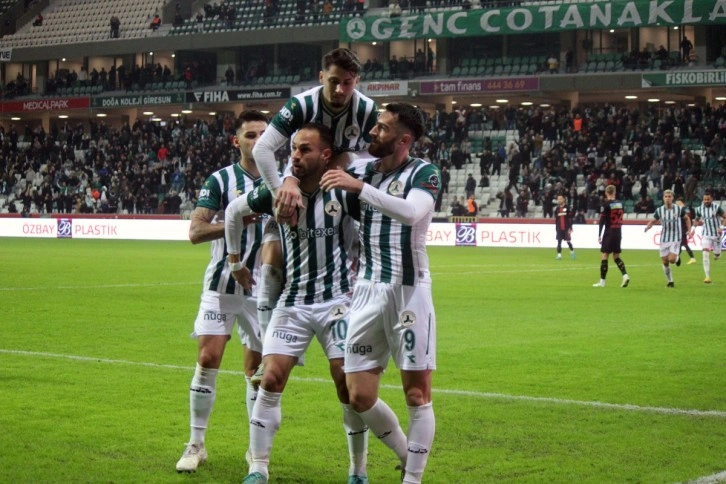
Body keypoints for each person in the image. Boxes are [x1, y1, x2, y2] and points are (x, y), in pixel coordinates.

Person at [226, 124, 369, 484]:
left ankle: (358, 471)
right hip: (292, 303)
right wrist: (235, 262)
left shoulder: (343, 191)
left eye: (305, 149)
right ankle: (258, 468)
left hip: (337, 302)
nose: (295, 156)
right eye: (293, 149)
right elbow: (232, 212)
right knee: (270, 379)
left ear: (325, 155)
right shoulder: (277, 192)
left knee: (345, 385)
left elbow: (376, 223)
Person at [319, 103, 440, 484]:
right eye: (375, 126)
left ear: (404, 140)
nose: (373, 132)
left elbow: (411, 212)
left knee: (416, 394)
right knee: (357, 395)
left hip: (408, 292)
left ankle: (412, 479)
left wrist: (360, 188)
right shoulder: (365, 170)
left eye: (383, 128)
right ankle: (406, 454)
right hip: (366, 291)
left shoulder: (423, 172)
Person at [249, 47, 378, 384]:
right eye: (333, 81)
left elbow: (378, 151)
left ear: (356, 81)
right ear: (321, 77)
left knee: (348, 261)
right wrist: (281, 189)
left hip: (336, 188)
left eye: (347, 83)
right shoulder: (301, 105)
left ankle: (348, 330)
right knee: (271, 266)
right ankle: (268, 350)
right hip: (295, 183)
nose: (340, 89)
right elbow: (263, 149)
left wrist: (345, 161)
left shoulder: (366, 110)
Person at [175, 111, 269, 473]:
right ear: (236, 141)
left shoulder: (285, 179)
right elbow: (196, 231)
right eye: (250, 135)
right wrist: (234, 220)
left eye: (263, 134)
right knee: (208, 358)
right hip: (221, 284)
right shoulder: (221, 180)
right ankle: (196, 444)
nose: (257, 141)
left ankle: (255, 451)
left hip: (264, 289)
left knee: (257, 371)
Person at [644, 189, 691, 288]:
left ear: (672, 198)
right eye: (666, 197)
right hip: (664, 238)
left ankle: (676, 258)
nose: (668, 198)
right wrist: (648, 226)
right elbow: (653, 220)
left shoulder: (678, 209)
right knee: (665, 261)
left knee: (672, 259)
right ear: (663, 198)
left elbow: (687, 218)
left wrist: (689, 230)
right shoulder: (659, 210)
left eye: (669, 197)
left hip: (676, 237)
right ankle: (670, 281)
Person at [593, 185, 630, 288]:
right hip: (618, 232)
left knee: (605, 255)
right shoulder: (620, 204)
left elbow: (602, 221)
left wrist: (599, 235)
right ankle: (625, 275)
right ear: (615, 192)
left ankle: (602, 282)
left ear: (606, 193)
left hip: (609, 232)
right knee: (616, 256)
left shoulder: (605, 205)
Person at [693, 190, 725, 284]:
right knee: (705, 253)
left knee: (716, 255)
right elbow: (697, 220)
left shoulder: (717, 207)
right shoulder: (699, 209)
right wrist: (693, 229)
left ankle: (717, 254)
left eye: (708, 199)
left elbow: (725, 217)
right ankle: (707, 276)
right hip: (706, 234)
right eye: (705, 199)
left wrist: (721, 227)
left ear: (711, 199)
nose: (706, 201)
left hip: (716, 235)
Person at [675, 197, 696, 266]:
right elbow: (691, 218)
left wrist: (688, 230)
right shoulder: (687, 209)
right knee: (680, 244)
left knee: (684, 243)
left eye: (677, 203)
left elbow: (687, 219)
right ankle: (676, 258)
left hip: (683, 229)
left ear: (680, 202)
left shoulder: (682, 210)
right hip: (684, 228)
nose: (676, 205)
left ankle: (692, 258)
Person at [554, 194, 575, 260]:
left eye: (560, 199)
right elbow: (556, 219)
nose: (559, 200)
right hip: (559, 228)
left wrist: (571, 227)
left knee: (568, 241)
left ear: (564, 199)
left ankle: (572, 251)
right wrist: (556, 228)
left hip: (566, 228)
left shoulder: (568, 208)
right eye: (558, 199)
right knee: (559, 242)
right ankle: (559, 255)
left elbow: (571, 218)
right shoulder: (557, 209)